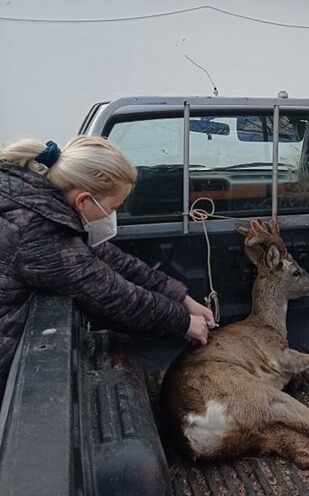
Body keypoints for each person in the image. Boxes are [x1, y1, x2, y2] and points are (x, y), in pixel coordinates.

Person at [0, 135, 216, 400]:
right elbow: (112, 295)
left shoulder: (37, 202)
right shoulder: (40, 232)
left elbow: (114, 261)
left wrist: (182, 298)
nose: (113, 216)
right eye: (113, 207)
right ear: (83, 201)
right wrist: (183, 322)